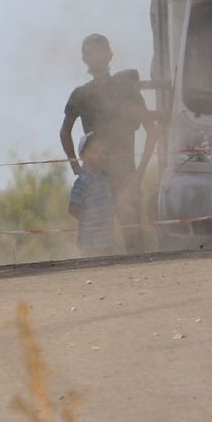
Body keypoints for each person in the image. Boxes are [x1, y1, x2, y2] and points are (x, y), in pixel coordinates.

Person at [59, 34, 155, 254]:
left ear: (110, 55)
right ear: (84, 58)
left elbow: (152, 130)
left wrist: (138, 174)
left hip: (125, 176)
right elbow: (64, 132)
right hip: (95, 180)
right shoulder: (81, 95)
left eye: (100, 51)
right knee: (97, 247)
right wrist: (76, 166)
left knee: (135, 243)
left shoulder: (126, 90)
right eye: (91, 53)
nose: (96, 58)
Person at [68, 135, 120, 258]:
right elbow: (72, 208)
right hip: (90, 242)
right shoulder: (82, 180)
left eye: (103, 152)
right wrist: (90, 219)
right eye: (95, 152)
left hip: (107, 240)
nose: (100, 155)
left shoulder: (104, 180)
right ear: (83, 156)